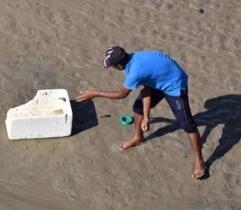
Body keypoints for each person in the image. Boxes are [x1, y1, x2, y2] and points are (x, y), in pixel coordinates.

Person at [76, 46, 205, 179]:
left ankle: (200, 161)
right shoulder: (133, 59)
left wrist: (95, 93)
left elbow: (121, 94)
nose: (112, 68)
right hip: (158, 80)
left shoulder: (135, 72)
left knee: (188, 125)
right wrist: (146, 116)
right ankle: (138, 138)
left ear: (119, 66)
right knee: (138, 108)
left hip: (175, 85)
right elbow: (145, 88)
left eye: (112, 66)